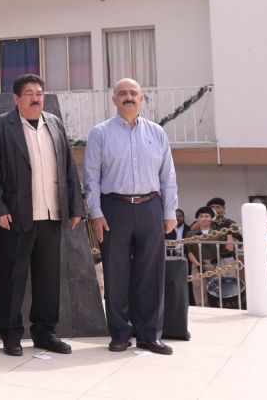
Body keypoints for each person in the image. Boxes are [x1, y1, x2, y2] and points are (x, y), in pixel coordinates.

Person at [0, 74, 83, 356]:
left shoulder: (55, 124)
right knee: (13, 278)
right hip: (16, 216)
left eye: (40, 92)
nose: (36, 97)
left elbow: (68, 169)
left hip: (51, 213)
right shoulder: (1, 126)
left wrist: (75, 206)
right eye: (29, 93)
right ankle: (11, 334)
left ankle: (45, 332)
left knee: (48, 279)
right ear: (16, 99)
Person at [85, 78, 178, 355]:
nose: (128, 97)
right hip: (114, 207)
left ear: (142, 99)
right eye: (122, 93)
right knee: (116, 274)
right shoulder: (99, 133)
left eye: (133, 93)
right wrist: (96, 214)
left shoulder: (157, 132)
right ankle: (120, 333)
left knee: (151, 274)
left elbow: (168, 175)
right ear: (114, 100)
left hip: (151, 206)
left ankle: (150, 334)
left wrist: (169, 212)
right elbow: (91, 177)